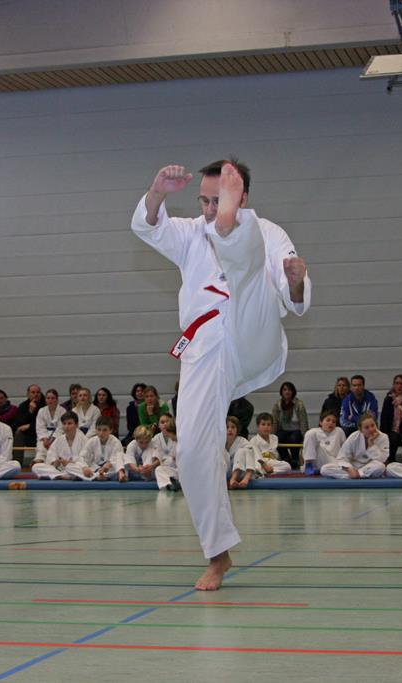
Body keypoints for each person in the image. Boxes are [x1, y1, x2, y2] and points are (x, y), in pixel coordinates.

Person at [132, 159, 310, 590]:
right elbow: (150, 226)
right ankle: (218, 554)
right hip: (205, 346)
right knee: (192, 450)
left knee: (249, 276)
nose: (209, 209)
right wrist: (156, 193)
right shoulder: (191, 233)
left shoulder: (270, 232)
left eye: (220, 201)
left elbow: (295, 297)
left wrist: (296, 281)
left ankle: (235, 233)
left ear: (241, 196)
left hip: (252, 332)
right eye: (207, 202)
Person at [321, 413, 389, 479]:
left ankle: (357, 475)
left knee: (381, 467)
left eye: (373, 425)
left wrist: (371, 445)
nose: (371, 429)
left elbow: (382, 460)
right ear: (360, 429)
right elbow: (342, 457)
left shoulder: (383, 437)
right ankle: (358, 475)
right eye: (366, 427)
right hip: (353, 466)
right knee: (325, 469)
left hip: (369, 467)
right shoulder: (354, 437)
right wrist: (349, 468)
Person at [71, 416, 124, 481]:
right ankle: (96, 477)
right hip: (94, 470)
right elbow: (82, 457)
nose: (101, 433)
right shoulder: (92, 441)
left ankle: (95, 477)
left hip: (109, 470)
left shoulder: (116, 442)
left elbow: (116, 460)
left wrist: (107, 466)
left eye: (105, 430)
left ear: (110, 430)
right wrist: (84, 467)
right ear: (95, 429)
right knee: (70, 466)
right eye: (99, 429)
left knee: (119, 467)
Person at [271, 381, 308, 469]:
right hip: (283, 430)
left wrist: (305, 437)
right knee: (277, 439)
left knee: (293, 438)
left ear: (293, 392)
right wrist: (271, 436)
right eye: (285, 390)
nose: (287, 392)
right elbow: (274, 421)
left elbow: (303, 421)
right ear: (282, 392)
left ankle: (295, 460)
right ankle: (286, 459)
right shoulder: (277, 404)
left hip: (296, 430)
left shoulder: (299, 404)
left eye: (289, 390)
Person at [40, 411, 86, 480]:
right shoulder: (59, 440)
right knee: (36, 467)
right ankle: (65, 476)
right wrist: (55, 462)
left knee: (79, 468)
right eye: (64, 424)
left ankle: (58, 475)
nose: (66, 426)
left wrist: (70, 463)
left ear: (76, 425)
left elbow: (86, 460)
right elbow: (51, 456)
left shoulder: (84, 439)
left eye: (69, 423)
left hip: (76, 468)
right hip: (61, 470)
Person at [244, 412, 292, 478]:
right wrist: (264, 464)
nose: (266, 427)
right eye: (263, 424)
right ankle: (261, 472)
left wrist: (271, 462)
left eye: (268, 424)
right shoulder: (254, 440)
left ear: (272, 426)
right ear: (258, 426)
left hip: (271, 463)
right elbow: (257, 456)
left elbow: (275, 454)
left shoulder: (274, 438)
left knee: (287, 466)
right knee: (257, 466)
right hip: (259, 463)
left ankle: (269, 471)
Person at [301, 410, 346, 475]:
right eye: (328, 420)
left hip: (333, 461)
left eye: (333, 422)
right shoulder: (314, 432)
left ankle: (319, 470)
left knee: (341, 466)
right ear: (321, 422)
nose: (331, 423)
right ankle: (309, 465)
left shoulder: (339, 431)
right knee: (310, 433)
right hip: (317, 459)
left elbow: (345, 449)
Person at [34, 388, 66, 462]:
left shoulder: (63, 411)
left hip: (58, 436)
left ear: (57, 399)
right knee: (41, 447)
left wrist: (52, 439)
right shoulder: (41, 411)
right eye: (48, 398)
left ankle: (53, 462)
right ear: (45, 399)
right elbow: (40, 427)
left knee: (54, 449)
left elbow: (61, 428)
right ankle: (39, 460)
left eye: (52, 398)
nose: (50, 400)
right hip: (44, 436)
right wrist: (45, 439)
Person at [151, 414, 181, 491]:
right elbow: (158, 456)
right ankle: (168, 485)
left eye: (167, 421)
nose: (165, 424)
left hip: (185, 471)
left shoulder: (182, 441)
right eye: (162, 422)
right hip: (174, 469)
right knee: (159, 469)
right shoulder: (157, 438)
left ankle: (180, 483)